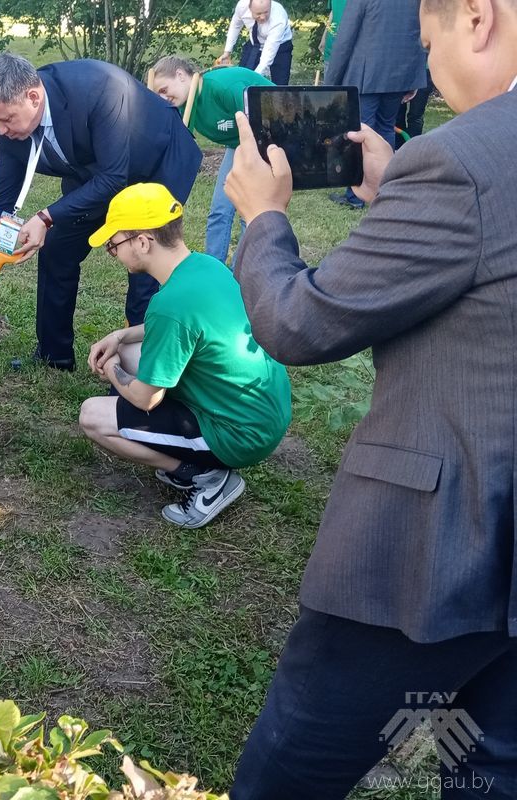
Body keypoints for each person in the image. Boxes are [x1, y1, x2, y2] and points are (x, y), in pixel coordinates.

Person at [222, 0, 517, 793]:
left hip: (439, 552)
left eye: (427, 42)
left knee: (293, 765)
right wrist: (402, 198)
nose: (427, 67)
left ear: (478, 19)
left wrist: (264, 217)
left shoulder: (460, 160)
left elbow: (298, 323)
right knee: (488, 762)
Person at [0, 53, 201, 371]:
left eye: (6, 119)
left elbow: (114, 177)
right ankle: (54, 355)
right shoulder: (9, 125)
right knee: (57, 246)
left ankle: (147, 367)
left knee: (145, 259)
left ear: (33, 97)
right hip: (93, 170)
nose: (1, 130)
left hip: (157, 161)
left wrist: (46, 216)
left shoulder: (100, 88)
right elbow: (2, 198)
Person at [78, 184, 290, 528]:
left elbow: (146, 398)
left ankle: (205, 476)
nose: (112, 253)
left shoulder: (170, 305)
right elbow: (182, 325)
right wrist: (120, 336)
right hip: (263, 411)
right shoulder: (205, 266)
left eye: (113, 245)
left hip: (241, 435)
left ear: (143, 241)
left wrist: (113, 370)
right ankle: (196, 455)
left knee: (93, 416)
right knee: (133, 349)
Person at [151, 58, 272, 263]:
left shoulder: (220, 87)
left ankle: (243, 274)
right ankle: (214, 268)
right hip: (240, 144)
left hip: (268, 137)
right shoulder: (183, 107)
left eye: (163, 90)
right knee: (220, 210)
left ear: (180, 75)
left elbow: (263, 124)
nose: (163, 98)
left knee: (248, 211)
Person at [325, 0, 427, 207]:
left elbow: (345, 37)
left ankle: (356, 195)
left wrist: (331, 82)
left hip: (367, 74)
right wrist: (413, 80)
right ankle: (384, 190)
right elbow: (422, 34)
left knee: (361, 132)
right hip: (398, 75)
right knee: (385, 129)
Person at [217, 0, 293, 86]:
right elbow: (235, 26)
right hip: (254, 45)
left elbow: (268, 54)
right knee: (242, 79)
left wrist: (254, 78)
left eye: (266, 12)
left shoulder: (278, 18)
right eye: (259, 13)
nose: (263, 17)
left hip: (280, 46)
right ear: (250, 8)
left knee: (280, 87)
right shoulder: (242, 6)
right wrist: (227, 52)